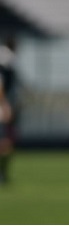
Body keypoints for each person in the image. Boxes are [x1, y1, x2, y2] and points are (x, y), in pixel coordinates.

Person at [0, 36, 20, 185]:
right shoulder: (6, 60)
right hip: (2, 107)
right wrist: (5, 105)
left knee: (7, 142)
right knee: (6, 142)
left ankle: (3, 174)